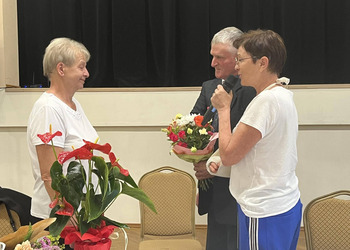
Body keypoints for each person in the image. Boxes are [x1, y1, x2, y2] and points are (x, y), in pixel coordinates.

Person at [208, 29, 302, 249]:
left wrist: (223, 109)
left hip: (263, 210)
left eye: (241, 60)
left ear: (262, 63)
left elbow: (229, 155)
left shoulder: (265, 101)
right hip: (283, 202)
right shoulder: (282, 94)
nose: (237, 66)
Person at [191, 27, 256, 250]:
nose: (213, 63)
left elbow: (245, 143)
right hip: (213, 189)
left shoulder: (253, 90)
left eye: (220, 57)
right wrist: (198, 161)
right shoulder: (209, 87)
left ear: (237, 58)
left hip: (239, 190)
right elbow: (193, 131)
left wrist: (212, 167)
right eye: (212, 56)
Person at [27, 37, 98, 223]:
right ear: (61, 69)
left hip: (79, 211)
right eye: (81, 67)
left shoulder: (74, 105)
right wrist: (67, 212)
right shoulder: (48, 108)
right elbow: (49, 173)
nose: (87, 73)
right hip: (58, 218)